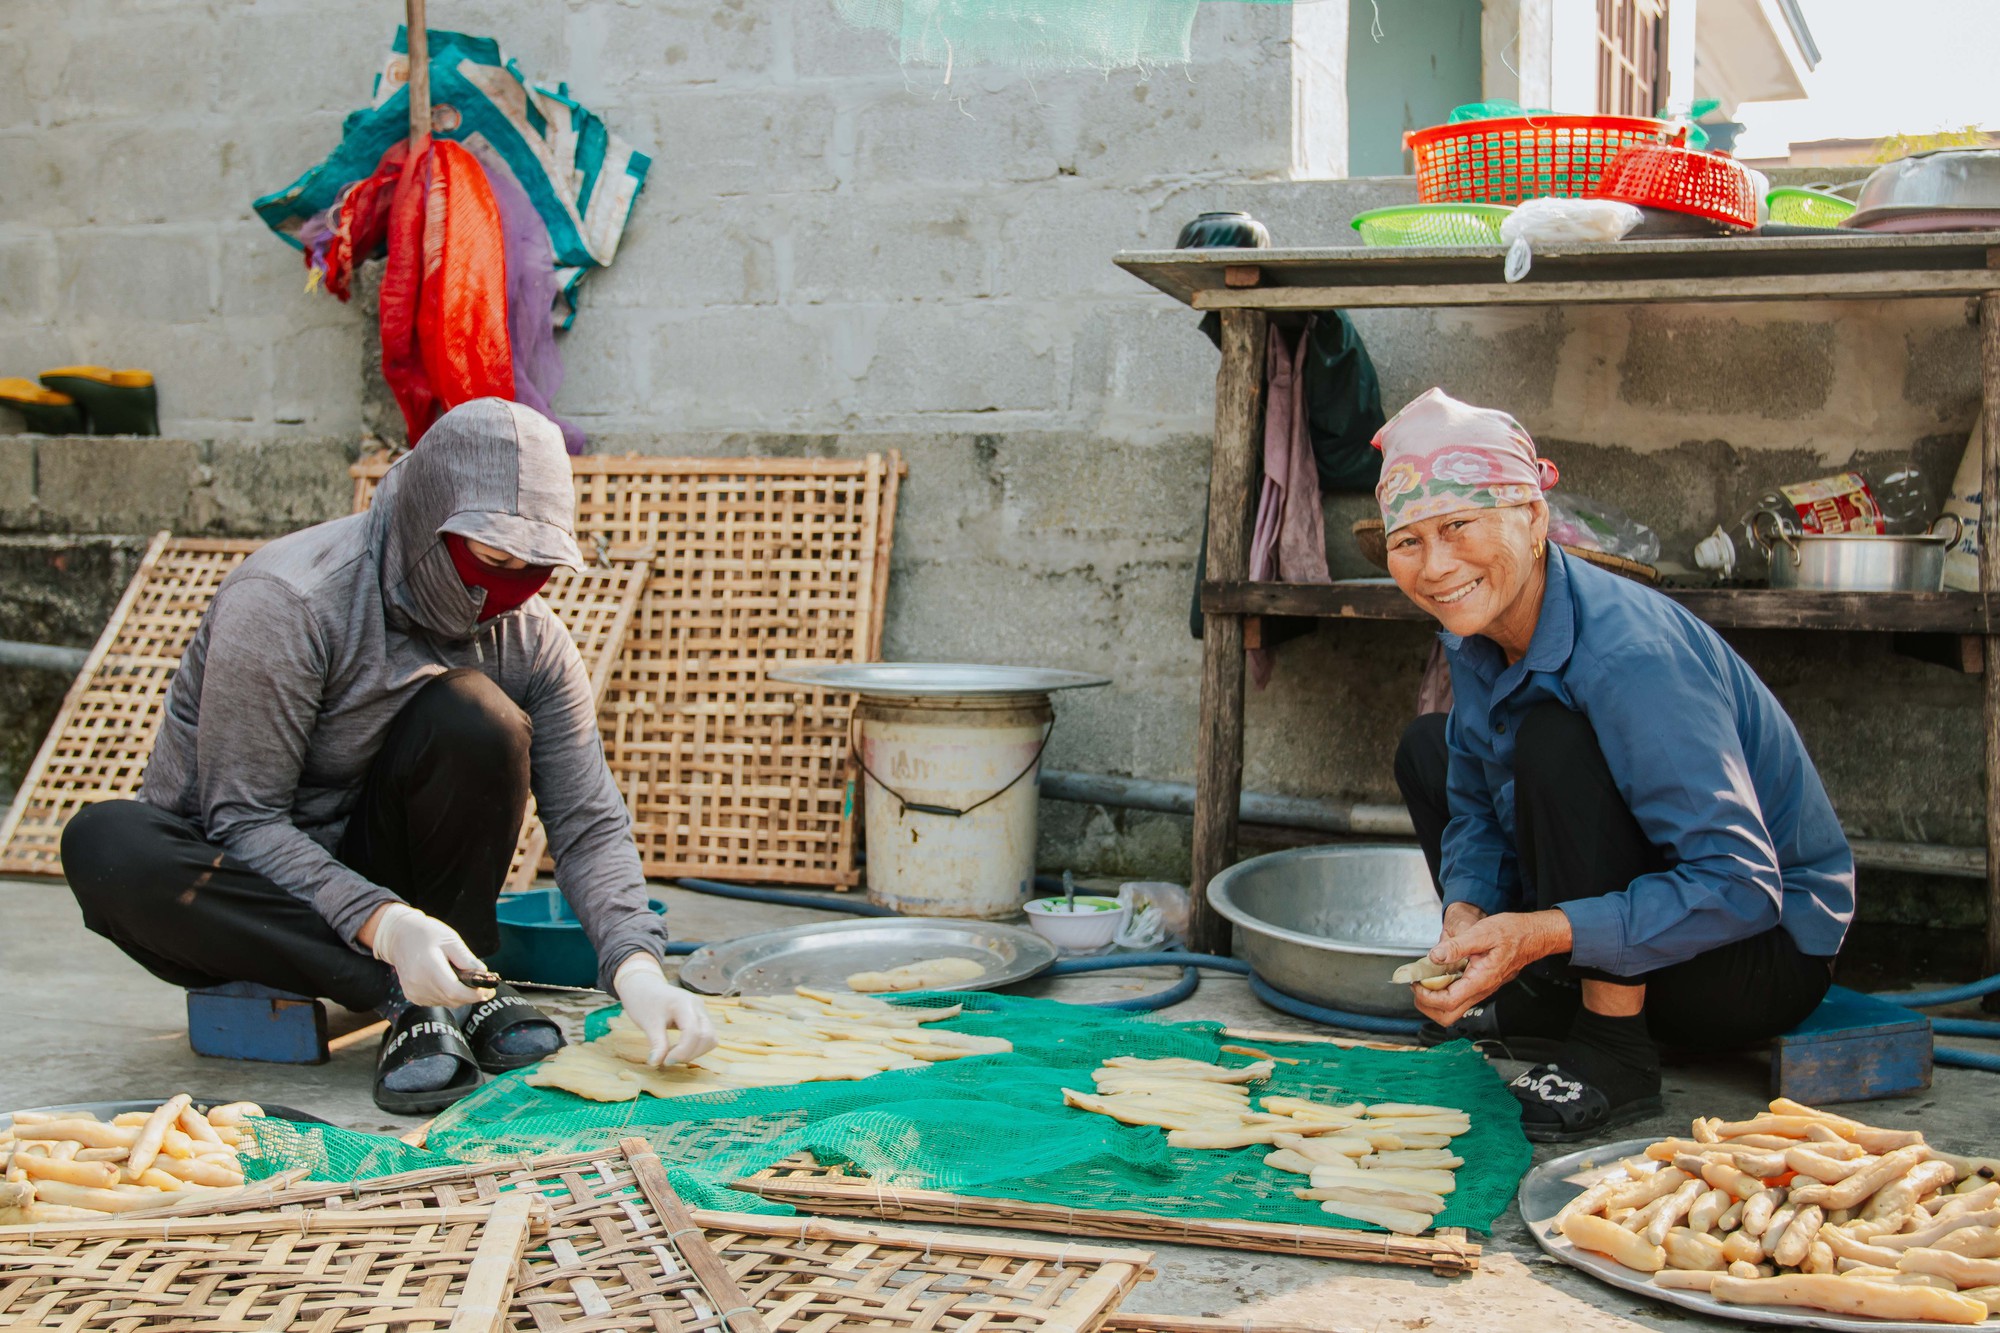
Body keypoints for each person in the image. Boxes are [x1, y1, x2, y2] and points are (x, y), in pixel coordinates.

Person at [60, 398, 716, 1114]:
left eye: (537, 567)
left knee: (477, 717)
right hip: (252, 887)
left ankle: (450, 982)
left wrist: (638, 966)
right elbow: (242, 818)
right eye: (495, 559)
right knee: (106, 844)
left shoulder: (528, 637)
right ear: (428, 522)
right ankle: (425, 994)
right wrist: (388, 928)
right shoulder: (290, 601)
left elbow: (587, 820)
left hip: (394, 881)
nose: (513, 587)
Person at [1377, 388, 1853, 1143]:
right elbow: (1471, 801)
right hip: (1645, 928)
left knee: (1551, 740)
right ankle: (1540, 989)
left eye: (1460, 526)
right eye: (1409, 541)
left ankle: (1614, 1047)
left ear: (1532, 518)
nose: (1436, 568)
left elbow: (1741, 884)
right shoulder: (1472, 631)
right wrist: (1466, 913)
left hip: (1755, 959)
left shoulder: (1629, 652)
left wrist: (1541, 930)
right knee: (1428, 747)